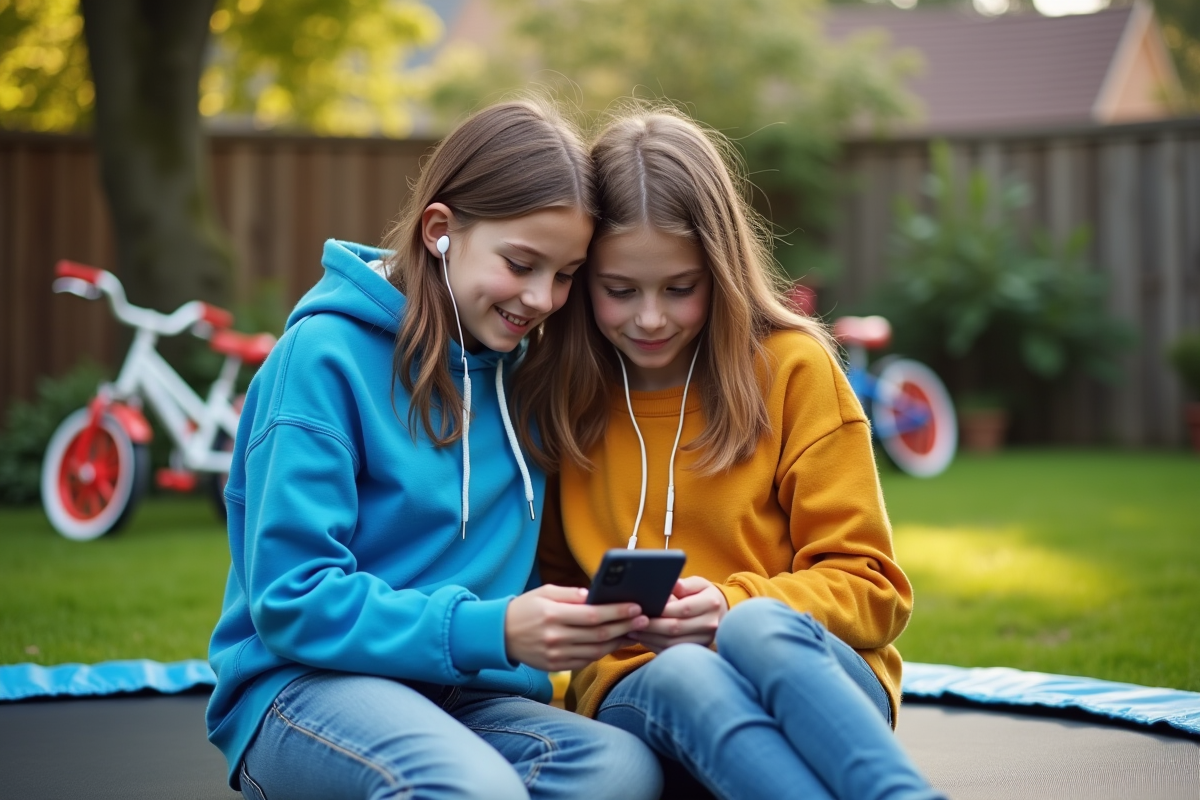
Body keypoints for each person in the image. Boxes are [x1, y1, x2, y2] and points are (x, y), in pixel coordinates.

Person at [206, 99, 664, 800]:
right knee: (469, 787)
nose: (543, 298)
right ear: (442, 231)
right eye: (521, 263)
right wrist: (493, 629)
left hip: (463, 695)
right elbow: (291, 598)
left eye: (566, 274)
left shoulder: (524, 373)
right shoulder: (323, 360)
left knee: (620, 771)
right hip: (304, 688)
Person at [531, 108, 945, 800]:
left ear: (720, 269)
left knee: (755, 626)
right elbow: (541, 591)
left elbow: (875, 590)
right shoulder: (556, 395)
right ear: (581, 278)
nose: (652, 317)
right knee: (690, 672)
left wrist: (729, 606)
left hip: (817, 689)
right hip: (645, 690)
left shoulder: (793, 369)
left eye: (680, 288)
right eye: (619, 290)